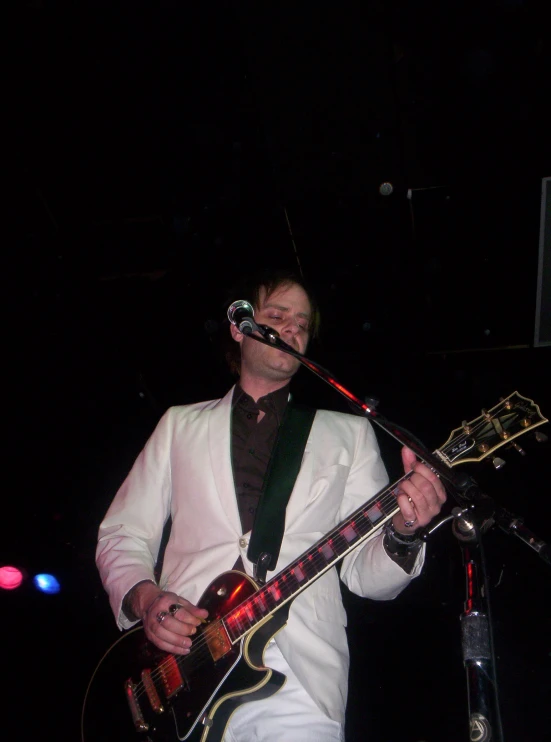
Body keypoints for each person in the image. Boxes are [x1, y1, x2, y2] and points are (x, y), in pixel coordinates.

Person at [96, 269, 447, 742]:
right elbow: (123, 534)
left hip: (298, 672)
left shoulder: (348, 433)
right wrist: (146, 598)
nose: (292, 330)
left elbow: (364, 574)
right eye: (277, 316)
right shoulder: (179, 425)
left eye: (302, 324)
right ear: (240, 328)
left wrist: (404, 532)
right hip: (182, 665)